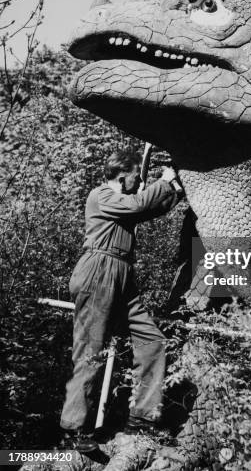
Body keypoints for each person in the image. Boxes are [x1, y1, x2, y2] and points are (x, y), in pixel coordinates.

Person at [60, 150, 182, 452]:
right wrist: (164, 181)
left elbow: (147, 208)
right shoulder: (102, 195)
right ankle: (73, 430)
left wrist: (174, 190)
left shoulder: (122, 204)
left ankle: (141, 417)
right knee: (91, 351)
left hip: (122, 276)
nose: (138, 181)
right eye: (136, 177)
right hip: (98, 272)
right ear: (122, 174)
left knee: (152, 341)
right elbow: (141, 203)